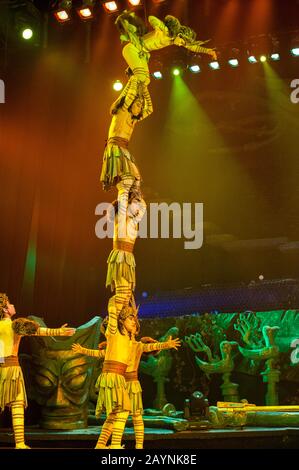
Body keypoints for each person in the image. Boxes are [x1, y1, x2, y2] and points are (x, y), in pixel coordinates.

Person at [0, 293, 76, 449]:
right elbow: (38, 331)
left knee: (16, 404)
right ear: (5, 309)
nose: (13, 305)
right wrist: (59, 332)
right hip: (12, 370)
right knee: (17, 404)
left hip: (2, 367)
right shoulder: (15, 325)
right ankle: (20, 443)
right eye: (10, 303)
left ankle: (20, 443)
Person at [74, 297, 136, 449]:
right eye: (130, 318)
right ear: (121, 321)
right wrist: (112, 303)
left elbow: (101, 354)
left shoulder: (125, 340)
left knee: (113, 415)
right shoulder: (114, 333)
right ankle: (114, 445)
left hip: (116, 377)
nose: (134, 321)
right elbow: (114, 316)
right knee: (123, 410)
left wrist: (83, 350)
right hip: (112, 376)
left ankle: (101, 445)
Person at [115, 11, 217, 87]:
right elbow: (151, 17)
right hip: (132, 48)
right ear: (179, 35)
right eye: (182, 42)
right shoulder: (166, 32)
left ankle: (128, 96)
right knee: (141, 78)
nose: (181, 45)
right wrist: (159, 26)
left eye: (183, 44)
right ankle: (131, 78)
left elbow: (194, 47)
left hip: (141, 53)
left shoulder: (173, 40)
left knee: (146, 81)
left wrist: (209, 51)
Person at [100, 72, 153, 193]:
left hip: (123, 150)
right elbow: (130, 95)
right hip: (115, 148)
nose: (140, 108)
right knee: (127, 180)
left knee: (137, 179)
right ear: (131, 103)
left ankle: (127, 203)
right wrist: (134, 79)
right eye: (138, 105)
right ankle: (122, 202)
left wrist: (144, 89)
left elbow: (149, 109)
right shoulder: (122, 112)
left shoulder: (134, 119)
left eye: (141, 106)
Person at [106, 188, 146, 317]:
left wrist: (137, 188)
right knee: (122, 294)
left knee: (128, 295)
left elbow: (144, 206)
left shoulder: (134, 220)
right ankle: (112, 321)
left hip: (128, 259)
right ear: (128, 203)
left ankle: (119, 323)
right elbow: (122, 199)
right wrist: (125, 188)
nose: (138, 206)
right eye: (135, 202)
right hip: (120, 258)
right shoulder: (121, 217)